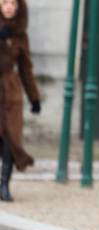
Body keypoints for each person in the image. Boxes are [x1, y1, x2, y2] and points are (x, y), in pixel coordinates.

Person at [0, 0, 40, 202]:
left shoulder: (21, 35)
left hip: (11, 93)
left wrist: (34, 98)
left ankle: (4, 185)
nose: (8, 7)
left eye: (12, 3)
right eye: (5, 2)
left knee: (11, 141)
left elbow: (26, 68)